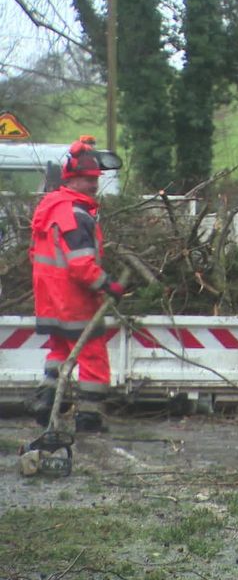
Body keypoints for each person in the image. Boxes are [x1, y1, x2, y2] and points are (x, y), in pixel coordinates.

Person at [27, 138, 124, 432]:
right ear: (71, 179)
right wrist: (107, 285)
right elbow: (81, 265)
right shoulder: (76, 215)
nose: (94, 184)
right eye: (88, 179)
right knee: (93, 357)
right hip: (74, 300)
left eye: (96, 178)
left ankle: (45, 402)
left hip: (49, 299)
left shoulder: (50, 207)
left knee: (59, 351)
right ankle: (89, 418)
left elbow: (36, 254)